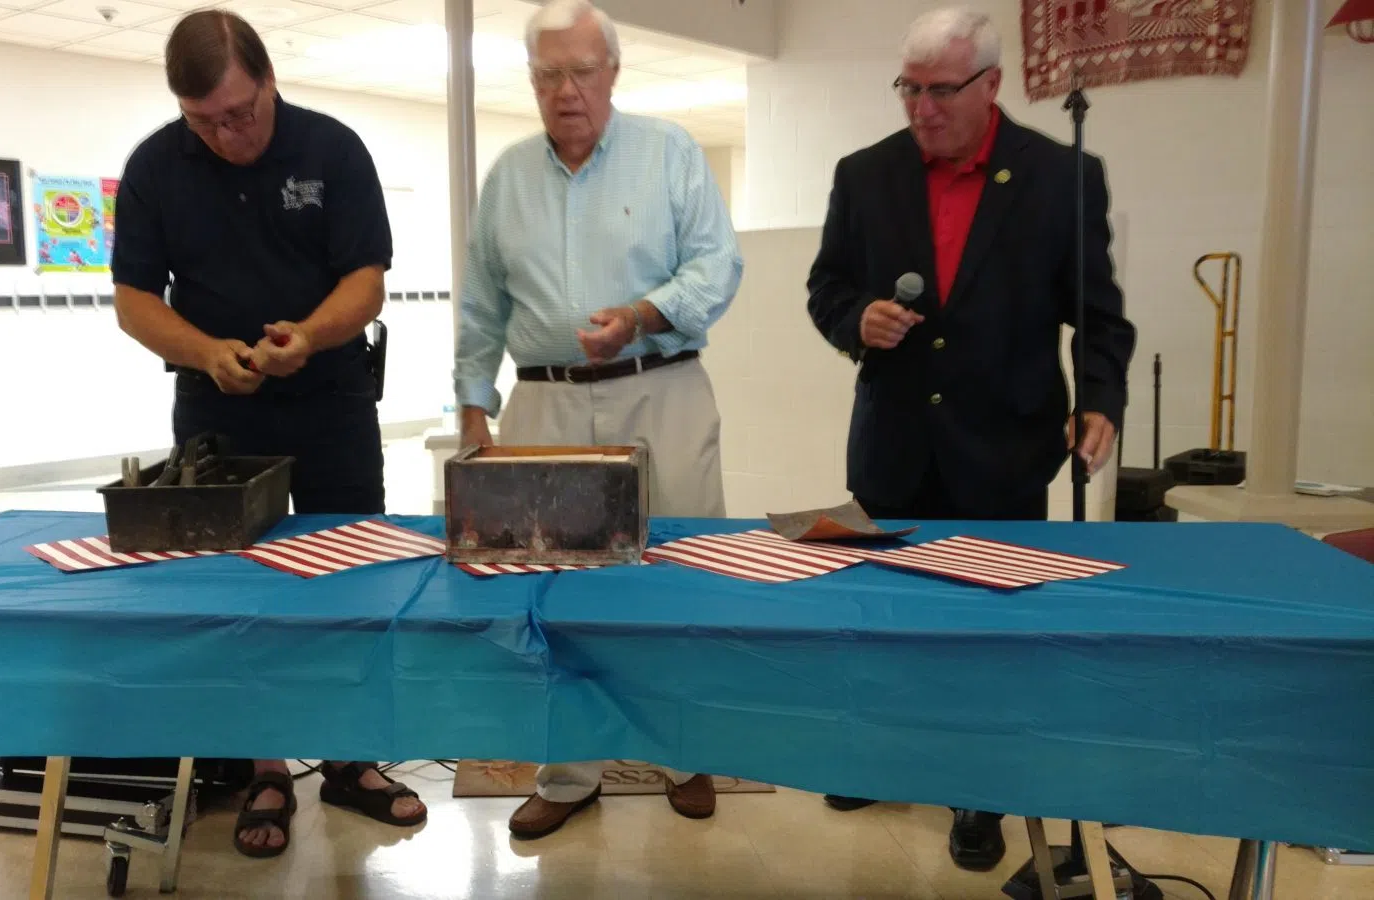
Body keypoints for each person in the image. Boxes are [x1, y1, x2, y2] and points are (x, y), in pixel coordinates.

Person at [804, 6, 1136, 873]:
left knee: (988, 636)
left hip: (1005, 449)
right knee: (889, 623)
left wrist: (1099, 399)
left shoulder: (1062, 175)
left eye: (941, 91)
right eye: (908, 89)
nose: (922, 108)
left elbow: (1099, 315)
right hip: (894, 447)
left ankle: (978, 791)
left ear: (991, 84)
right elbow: (826, 286)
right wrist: (855, 320)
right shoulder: (864, 174)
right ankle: (881, 758)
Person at [110, 9, 426, 859]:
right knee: (239, 598)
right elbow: (134, 299)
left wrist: (309, 336)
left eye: (239, 113)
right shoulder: (154, 167)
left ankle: (352, 761)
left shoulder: (333, 150)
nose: (226, 135)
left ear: (268, 81)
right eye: (203, 121)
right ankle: (265, 768)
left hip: (329, 399)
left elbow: (366, 281)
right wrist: (206, 351)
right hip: (217, 414)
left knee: (351, 582)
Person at [453, 0, 744, 841]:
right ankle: (568, 771)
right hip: (544, 401)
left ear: (612, 71)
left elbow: (718, 265)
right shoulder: (508, 176)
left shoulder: (670, 153)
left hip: (661, 385)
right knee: (553, 593)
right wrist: (474, 409)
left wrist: (642, 315)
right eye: (549, 74)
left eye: (582, 71)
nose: (566, 90)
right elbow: (481, 305)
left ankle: (686, 753)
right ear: (532, 81)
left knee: (681, 577)